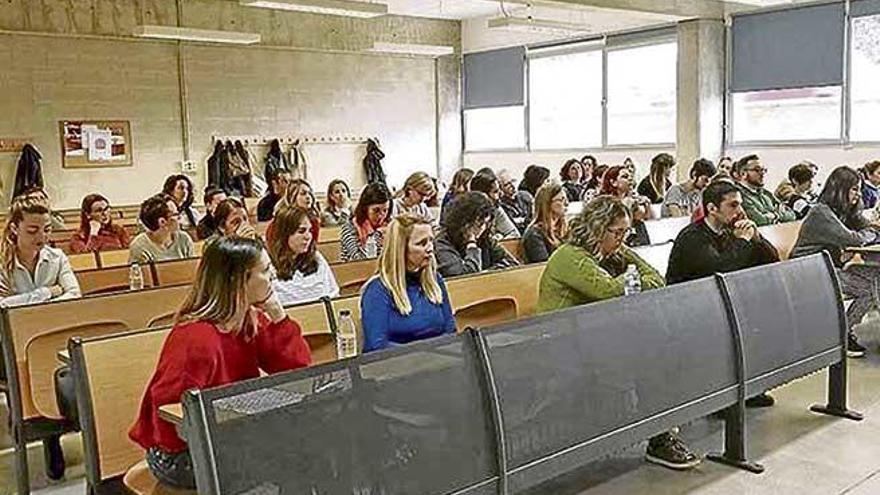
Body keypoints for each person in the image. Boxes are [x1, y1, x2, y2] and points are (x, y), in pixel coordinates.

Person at [129, 237, 311, 489]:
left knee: (308, 448)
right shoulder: (196, 339)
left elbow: (297, 369)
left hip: (225, 434)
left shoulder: (249, 320)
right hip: (178, 454)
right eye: (266, 271)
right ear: (239, 280)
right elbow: (168, 415)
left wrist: (278, 315)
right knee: (288, 460)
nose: (273, 277)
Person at [536, 195, 698, 470]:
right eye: (617, 232)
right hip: (561, 341)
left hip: (594, 336)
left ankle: (662, 431)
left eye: (626, 231)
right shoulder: (569, 256)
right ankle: (660, 436)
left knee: (665, 349)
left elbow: (657, 278)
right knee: (652, 360)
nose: (623, 238)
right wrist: (628, 279)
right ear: (598, 228)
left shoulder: (615, 251)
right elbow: (609, 291)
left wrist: (629, 279)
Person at [666, 181, 780, 407]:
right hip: (689, 306)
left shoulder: (731, 231)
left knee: (762, 319)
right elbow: (721, 268)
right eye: (733, 205)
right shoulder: (693, 236)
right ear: (712, 208)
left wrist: (756, 237)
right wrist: (742, 241)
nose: (739, 211)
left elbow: (771, 260)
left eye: (740, 205)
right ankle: (723, 397)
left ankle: (746, 387)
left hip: (718, 302)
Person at [792, 166, 880, 358]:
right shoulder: (820, 212)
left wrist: (870, 230)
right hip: (807, 271)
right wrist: (871, 232)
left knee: (875, 276)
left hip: (827, 267)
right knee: (867, 289)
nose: (858, 194)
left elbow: (867, 229)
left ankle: (843, 331)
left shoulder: (844, 211)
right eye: (854, 189)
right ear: (840, 189)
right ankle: (843, 334)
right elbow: (855, 239)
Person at [361, 214, 456, 352]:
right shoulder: (378, 290)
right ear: (401, 249)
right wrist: (427, 354)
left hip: (439, 362)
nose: (430, 249)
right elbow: (377, 346)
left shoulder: (436, 281)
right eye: (422, 243)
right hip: (396, 367)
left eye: (431, 241)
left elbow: (451, 331)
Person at [0, 196, 81, 307]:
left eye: (47, 230)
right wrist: (47, 292)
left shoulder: (58, 257)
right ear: (14, 229)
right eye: (32, 231)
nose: (42, 237)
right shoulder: (2, 262)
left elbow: (74, 294)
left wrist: (33, 306)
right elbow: (2, 305)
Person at [434, 191, 518, 277]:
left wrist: (487, 272)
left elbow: (512, 264)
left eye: (485, 223)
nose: (482, 228)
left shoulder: (485, 239)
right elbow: (463, 277)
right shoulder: (442, 243)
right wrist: (471, 245)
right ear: (463, 222)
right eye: (479, 224)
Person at [268, 206, 339, 305]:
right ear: (284, 234)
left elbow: (334, 294)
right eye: (301, 231)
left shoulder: (316, 258)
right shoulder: (268, 265)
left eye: (310, 231)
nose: (308, 237)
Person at [129, 194, 195, 263]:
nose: (180, 218)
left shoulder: (184, 239)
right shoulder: (140, 246)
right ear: (162, 222)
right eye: (176, 214)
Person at [734, 155, 796, 226]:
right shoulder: (738, 195)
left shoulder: (766, 193)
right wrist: (778, 214)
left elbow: (792, 215)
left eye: (763, 170)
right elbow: (759, 221)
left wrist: (774, 216)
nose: (762, 173)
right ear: (743, 174)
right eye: (757, 170)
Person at [601, 165, 654, 246]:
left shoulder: (632, 199)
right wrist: (627, 206)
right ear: (613, 182)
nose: (630, 179)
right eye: (625, 177)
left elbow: (647, 218)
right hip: (615, 241)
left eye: (630, 176)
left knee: (640, 225)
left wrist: (647, 205)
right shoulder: (605, 202)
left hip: (632, 239)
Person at [340, 183, 392, 262]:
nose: (381, 216)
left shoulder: (388, 226)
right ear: (365, 209)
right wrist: (373, 236)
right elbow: (361, 260)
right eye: (376, 210)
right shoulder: (349, 228)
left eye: (385, 210)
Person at [521, 183, 568, 263]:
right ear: (548, 203)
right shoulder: (534, 235)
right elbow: (543, 265)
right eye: (561, 200)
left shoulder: (564, 228)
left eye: (566, 199)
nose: (566, 203)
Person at [470, 168, 520, 240]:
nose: (501, 194)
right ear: (483, 195)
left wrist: (498, 237)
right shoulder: (467, 214)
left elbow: (514, 234)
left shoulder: (496, 209)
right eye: (495, 191)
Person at [268, 179, 320, 246]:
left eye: (310, 193)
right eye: (303, 193)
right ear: (292, 197)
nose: (308, 197)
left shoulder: (313, 221)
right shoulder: (280, 220)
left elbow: (312, 247)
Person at [497, 169, 533, 233]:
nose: (513, 186)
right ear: (500, 188)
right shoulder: (500, 205)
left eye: (513, 181)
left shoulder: (526, 196)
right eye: (507, 184)